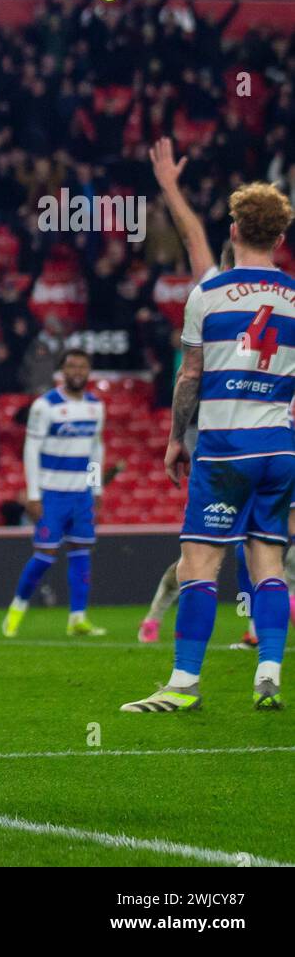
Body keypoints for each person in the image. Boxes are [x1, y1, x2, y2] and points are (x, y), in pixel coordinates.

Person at [122, 178, 295, 713]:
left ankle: (182, 684)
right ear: (281, 235)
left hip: (224, 446)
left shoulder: (209, 293)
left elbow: (189, 375)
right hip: (279, 448)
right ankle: (268, 667)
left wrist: (177, 438)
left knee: (199, 563)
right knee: (269, 560)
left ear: (236, 228)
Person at [3, 349, 106, 639]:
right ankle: (17, 608)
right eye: (71, 366)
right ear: (61, 370)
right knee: (45, 555)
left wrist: (96, 486)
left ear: (88, 371)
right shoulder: (45, 405)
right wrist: (34, 495)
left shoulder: (96, 406)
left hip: (81, 493)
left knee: (81, 553)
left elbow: (96, 447)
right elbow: (31, 449)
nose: (76, 371)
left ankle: (78, 618)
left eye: (82, 366)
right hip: (52, 493)